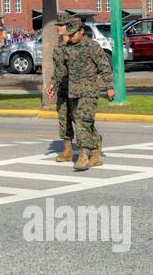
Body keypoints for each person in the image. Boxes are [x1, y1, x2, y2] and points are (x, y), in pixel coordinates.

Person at [46, 14, 113, 171]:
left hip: (88, 91)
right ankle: (95, 151)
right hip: (72, 91)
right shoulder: (67, 48)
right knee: (83, 122)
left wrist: (109, 86)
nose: (70, 36)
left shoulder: (92, 46)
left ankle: (84, 156)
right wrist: (53, 84)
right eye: (69, 34)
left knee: (83, 122)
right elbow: (61, 69)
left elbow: (104, 66)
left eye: (72, 33)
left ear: (81, 31)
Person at [48, 13, 74, 162]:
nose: (59, 28)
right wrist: (53, 85)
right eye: (58, 25)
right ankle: (67, 149)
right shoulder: (58, 47)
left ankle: (94, 146)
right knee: (63, 119)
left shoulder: (77, 45)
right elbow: (58, 69)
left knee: (80, 120)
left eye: (61, 25)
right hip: (63, 88)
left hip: (77, 89)